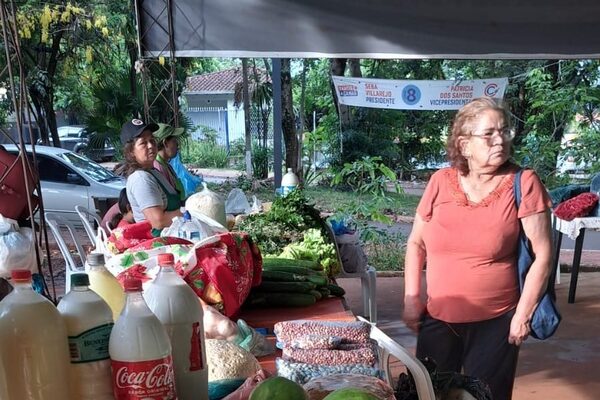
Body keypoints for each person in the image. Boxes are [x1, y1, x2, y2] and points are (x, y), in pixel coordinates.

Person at [402, 97, 553, 400]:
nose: (500, 140)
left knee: (485, 396)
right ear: (464, 143)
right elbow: (416, 243)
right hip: (438, 319)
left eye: (505, 131)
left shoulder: (523, 183)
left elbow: (543, 255)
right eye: (489, 134)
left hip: (496, 323)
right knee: (429, 393)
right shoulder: (440, 182)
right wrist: (412, 297)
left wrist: (522, 314)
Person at [120, 119, 182, 234]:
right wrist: (189, 212)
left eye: (152, 140)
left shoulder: (153, 172)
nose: (150, 146)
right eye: (143, 143)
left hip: (172, 236)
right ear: (131, 152)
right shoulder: (140, 178)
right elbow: (159, 221)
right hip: (158, 244)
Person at [153, 123, 186, 204]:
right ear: (165, 143)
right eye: (174, 141)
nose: (177, 145)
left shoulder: (166, 165)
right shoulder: (158, 167)